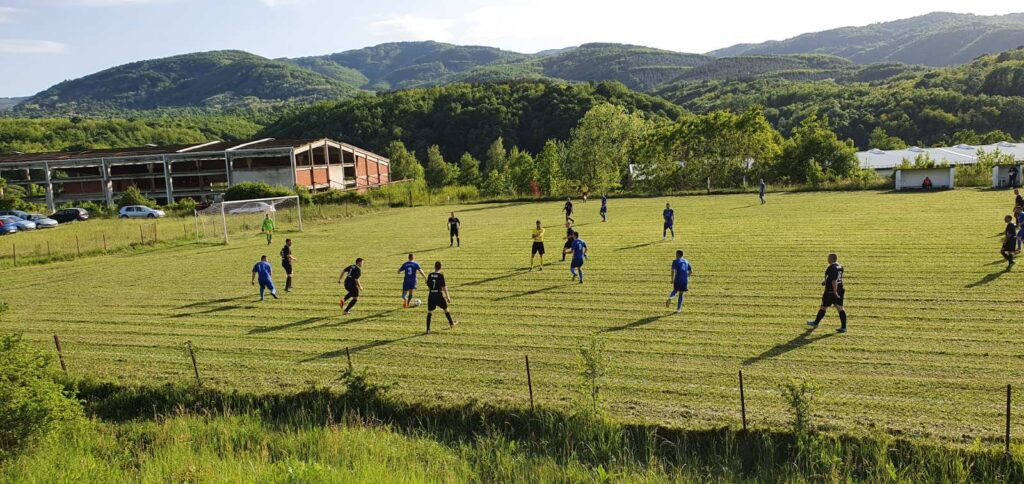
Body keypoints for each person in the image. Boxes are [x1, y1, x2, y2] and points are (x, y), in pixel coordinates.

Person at [806, 253, 847, 333]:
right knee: (840, 307)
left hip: (831, 291)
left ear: (831, 259)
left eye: (828, 258)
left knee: (823, 306)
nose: (827, 259)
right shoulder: (840, 266)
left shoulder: (832, 267)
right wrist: (826, 281)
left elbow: (834, 280)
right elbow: (837, 277)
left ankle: (815, 323)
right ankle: (844, 327)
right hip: (840, 289)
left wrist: (834, 292)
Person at [425, 260, 458, 334]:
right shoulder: (440, 275)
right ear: (441, 267)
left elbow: (428, 284)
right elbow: (444, 287)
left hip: (431, 295)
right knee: (446, 309)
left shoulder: (430, 275)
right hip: (438, 295)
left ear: (434, 267)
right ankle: (451, 323)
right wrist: (448, 297)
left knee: (430, 312)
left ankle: (428, 329)